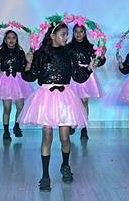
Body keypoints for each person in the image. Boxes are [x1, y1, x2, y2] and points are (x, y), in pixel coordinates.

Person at [19, 23, 93, 191]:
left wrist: (89, 68)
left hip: (65, 97)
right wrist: (28, 63)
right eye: (63, 34)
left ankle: (65, 165)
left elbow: (78, 77)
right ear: (52, 36)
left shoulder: (70, 54)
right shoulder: (41, 54)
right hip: (46, 97)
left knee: (65, 137)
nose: (66, 37)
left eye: (67, 34)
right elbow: (29, 77)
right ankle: (45, 176)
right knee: (47, 136)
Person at [0, 30, 33, 140]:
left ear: (16, 40)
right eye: (9, 38)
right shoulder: (1, 52)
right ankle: (6, 131)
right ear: (5, 40)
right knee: (7, 108)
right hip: (5, 81)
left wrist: (29, 61)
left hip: (18, 81)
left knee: (21, 107)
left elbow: (25, 68)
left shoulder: (20, 53)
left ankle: (17, 126)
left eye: (13, 38)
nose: (11, 40)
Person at [67, 23, 105, 140]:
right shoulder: (68, 47)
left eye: (81, 31)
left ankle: (84, 128)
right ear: (73, 33)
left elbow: (98, 62)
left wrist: (101, 57)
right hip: (73, 75)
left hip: (87, 75)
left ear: (85, 33)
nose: (78, 34)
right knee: (73, 101)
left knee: (84, 101)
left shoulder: (91, 47)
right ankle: (73, 124)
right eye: (76, 31)